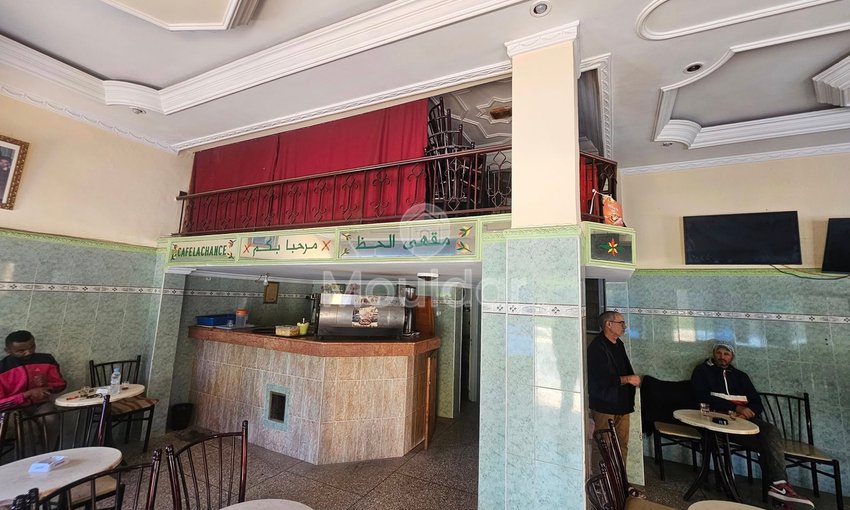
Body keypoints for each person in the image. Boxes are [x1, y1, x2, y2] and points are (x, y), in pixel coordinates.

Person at [690, 343, 813, 508]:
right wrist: (735, 407)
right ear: (713, 353)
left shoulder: (741, 376)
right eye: (719, 353)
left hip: (743, 422)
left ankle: (779, 486)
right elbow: (701, 396)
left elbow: (756, 402)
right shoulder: (702, 371)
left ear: (732, 357)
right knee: (766, 445)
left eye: (726, 354)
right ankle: (780, 494)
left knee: (770, 433)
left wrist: (748, 412)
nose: (722, 357)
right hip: (716, 420)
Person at [587, 310, 641, 470]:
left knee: (621, 444)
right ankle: (602, 479)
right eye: (621, 323)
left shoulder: (618, 344)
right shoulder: (597, 348)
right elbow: (601, 380)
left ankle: (619, 479)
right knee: (604, 445)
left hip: (622, 403)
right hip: (605, 405)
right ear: (608, 324)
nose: (624, 326)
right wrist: (627, 379)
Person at [0, 330, 67, 413]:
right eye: (21, 351)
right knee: (16, 419)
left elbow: (61, 386)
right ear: (8, 350)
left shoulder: (46, 360)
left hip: (40, 404)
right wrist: (26, 395)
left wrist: (47, 383)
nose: (29, 352)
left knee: (50, 417)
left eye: (32, 347)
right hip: (12, 409)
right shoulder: (2, 368)